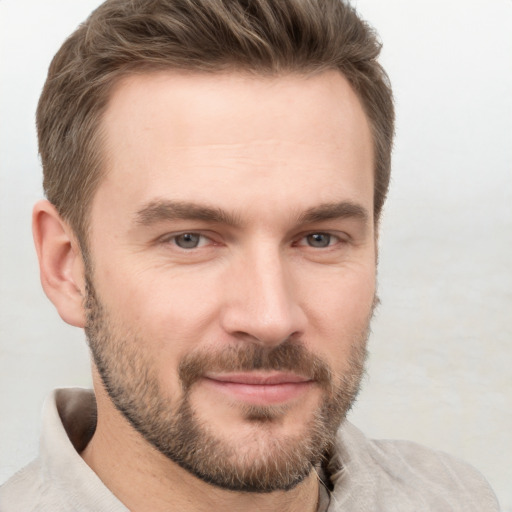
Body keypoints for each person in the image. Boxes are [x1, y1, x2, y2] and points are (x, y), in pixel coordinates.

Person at [0, 0, 500, 510]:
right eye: (189, 239)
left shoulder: (459, 497)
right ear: (67, 267)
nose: (270, 318)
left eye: (319, 238)